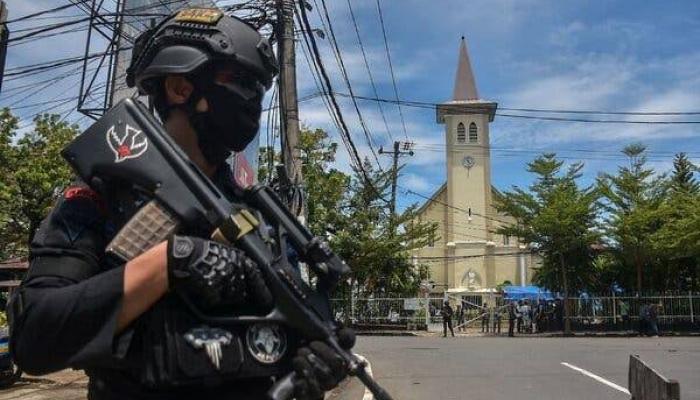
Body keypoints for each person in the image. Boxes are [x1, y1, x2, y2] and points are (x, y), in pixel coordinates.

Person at [8, 8, 353, 400]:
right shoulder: (106, 193)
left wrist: (309, 371)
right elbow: (36, 337)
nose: (253, 100)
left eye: (259, 88)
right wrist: (173, 261)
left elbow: (271, 347)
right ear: (179, 88)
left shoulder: (255, 213)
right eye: (240, 81)